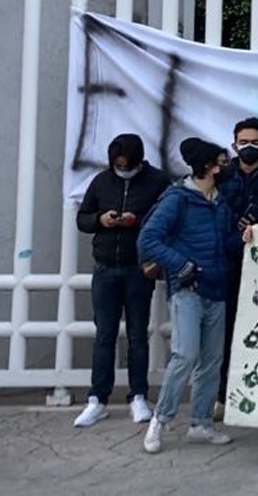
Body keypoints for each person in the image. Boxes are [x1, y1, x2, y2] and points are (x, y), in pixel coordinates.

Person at [137, 138, 237, 454]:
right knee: (185, 355)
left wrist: (246, 234)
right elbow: (148, 239)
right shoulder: (177, 199)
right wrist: (182, 265)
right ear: (207, 166)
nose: (226, 167)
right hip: (188, 291)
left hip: (217, 290)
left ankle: (201, 423)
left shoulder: (220, 203)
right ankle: (160, 420)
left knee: (211, 361)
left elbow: (228, 242)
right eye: (222, 162)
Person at [71, 133, 172, 428]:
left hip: (137, 268)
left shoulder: (157, 181)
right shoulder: (102, 181)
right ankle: (97, 399)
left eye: (127, 165)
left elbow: (165, 218)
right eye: (117, 165)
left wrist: (136, 220)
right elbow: (83, 218)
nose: (122, 169)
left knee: (138, 335)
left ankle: (138, 395)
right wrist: (101, 220)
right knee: (104, 335)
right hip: (105, 267)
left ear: (139, 161)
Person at [215, 117, 258, 410]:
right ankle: (222, 396)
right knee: (225, 331)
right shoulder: (220, 177)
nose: (249, 147)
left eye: (255, 142)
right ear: (234, 144)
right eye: (243, 142)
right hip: (226, 266)